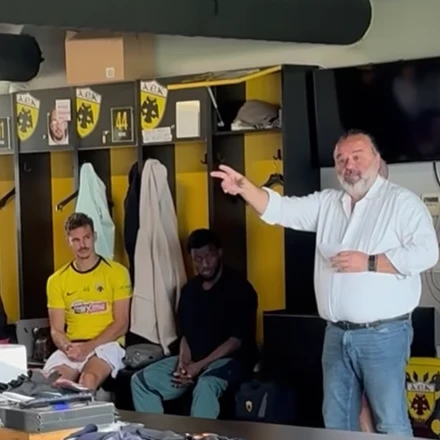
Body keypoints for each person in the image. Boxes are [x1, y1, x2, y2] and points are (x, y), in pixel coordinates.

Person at [211, 129, 438, 435]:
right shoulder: (329, 203)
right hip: (336, 334)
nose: (349, 165)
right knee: (336, 420)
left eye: (357, 157)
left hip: (383, 335)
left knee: (390, 421)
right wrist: (244, 188)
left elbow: (427, 253)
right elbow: (281, 209)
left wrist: (369, 262)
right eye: (341, 159)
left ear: (376, 160)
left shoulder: (402, 203)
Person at [131, 229, 258, 419]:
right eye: (198, 259)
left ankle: (200, 434)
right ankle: (158, 432)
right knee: (140, 381)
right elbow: (186, 336)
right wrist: (183, 365)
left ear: (219, 253)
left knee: (206, 384)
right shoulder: (189, 291)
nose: (204, 264)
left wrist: (198, 367)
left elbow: (235, 342)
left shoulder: (240, 288)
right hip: (194, 361)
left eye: (209, 257)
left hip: (230, 361)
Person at [43, 213, 132, 391]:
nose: (82, 245)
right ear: (68, 241)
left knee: (88, 379)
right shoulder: (56, 280)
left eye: (86, 238)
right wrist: (68, 347)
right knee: (52, 384)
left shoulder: (117, 273)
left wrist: (88, 347)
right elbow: (56, 330)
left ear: (94, 237)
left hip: (107, 344)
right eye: (76, 240)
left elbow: (122, 323)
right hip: (73, 346)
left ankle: (89, 409)